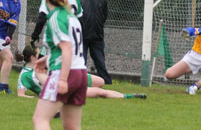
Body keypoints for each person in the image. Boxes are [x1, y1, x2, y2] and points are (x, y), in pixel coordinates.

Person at [32, 0, 87, 130]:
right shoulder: (72, 17)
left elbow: (67, 48)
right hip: (80, 73)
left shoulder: (56, 17)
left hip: (65, 73)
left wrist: (62, 79)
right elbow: (71, 48)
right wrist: (47, 59)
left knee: (40, 119)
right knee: (72, 126)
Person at [16, 45, 146, 99]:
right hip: (66, 90)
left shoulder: (42, 65)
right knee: (101, 92)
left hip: (69, 77)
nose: (40, 56)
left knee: (100, 82)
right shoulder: (25, 75)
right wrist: (34, 97)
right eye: (38, 54)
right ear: (33, 58)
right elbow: (20, 94)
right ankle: (130, 96)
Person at [77, 0, 112, 84]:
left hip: (97, 36)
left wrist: (98, 25)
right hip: (82, 37)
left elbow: (104, 14)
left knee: (100, 63)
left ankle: (106, 83)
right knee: (81, 62)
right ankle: (80, 83)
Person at [0, 0, 23, 94]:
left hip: (3, 36)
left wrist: (9, 36)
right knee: (9, 58)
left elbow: (12, 23)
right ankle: (3, 88)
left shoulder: (17, 4)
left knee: (2, 63)